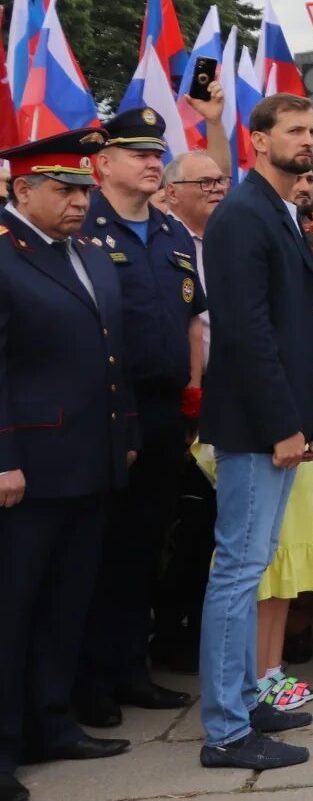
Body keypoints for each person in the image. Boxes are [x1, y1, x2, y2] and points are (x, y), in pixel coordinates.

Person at [0, 128, 139, 800]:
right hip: (28, 468)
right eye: (64, 189)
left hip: (90, 459)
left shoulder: (87, 251)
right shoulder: (5, 253)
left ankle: (52, 721)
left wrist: (127, 433)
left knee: (66, 605)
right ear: (22, 189)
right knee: (12, 609)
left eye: (84, 188)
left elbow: (113, 353)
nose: (80, 200)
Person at [197, 94, 313, 771]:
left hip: (280, 423)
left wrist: (305, 421)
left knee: (251, 568)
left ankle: (247, 699)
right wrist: (284, 424)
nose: (308, 140)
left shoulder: (279, 209)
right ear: (256, 141)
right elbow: (247, 333)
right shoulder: (242, 215)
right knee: (238, 571)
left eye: (312, 129)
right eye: (294, 131)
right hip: (255, 426)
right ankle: (224, 729)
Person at [67, 110, 205, 729]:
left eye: (157, 153)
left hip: (164, 410)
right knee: (97, 551)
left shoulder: (173, 231)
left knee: (145, 544)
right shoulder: (83, 228)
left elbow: (192, 321)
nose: (154, 162)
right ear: (103, 163)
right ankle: (88, 681)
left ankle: (130, 668)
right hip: (104, 414)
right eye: (138, 154)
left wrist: (194, 396)